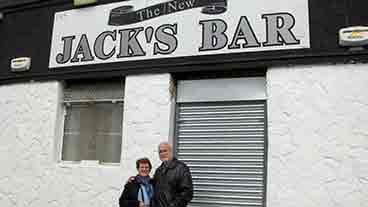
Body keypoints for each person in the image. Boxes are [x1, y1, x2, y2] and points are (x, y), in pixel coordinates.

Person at [151, 142, 193, 207]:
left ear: (171, 151)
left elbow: (187, 193)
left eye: (165, 151)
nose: (163, 154)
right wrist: (135, 180)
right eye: (160, 152)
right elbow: (154, 187)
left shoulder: (181, 168)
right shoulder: (158, 170)